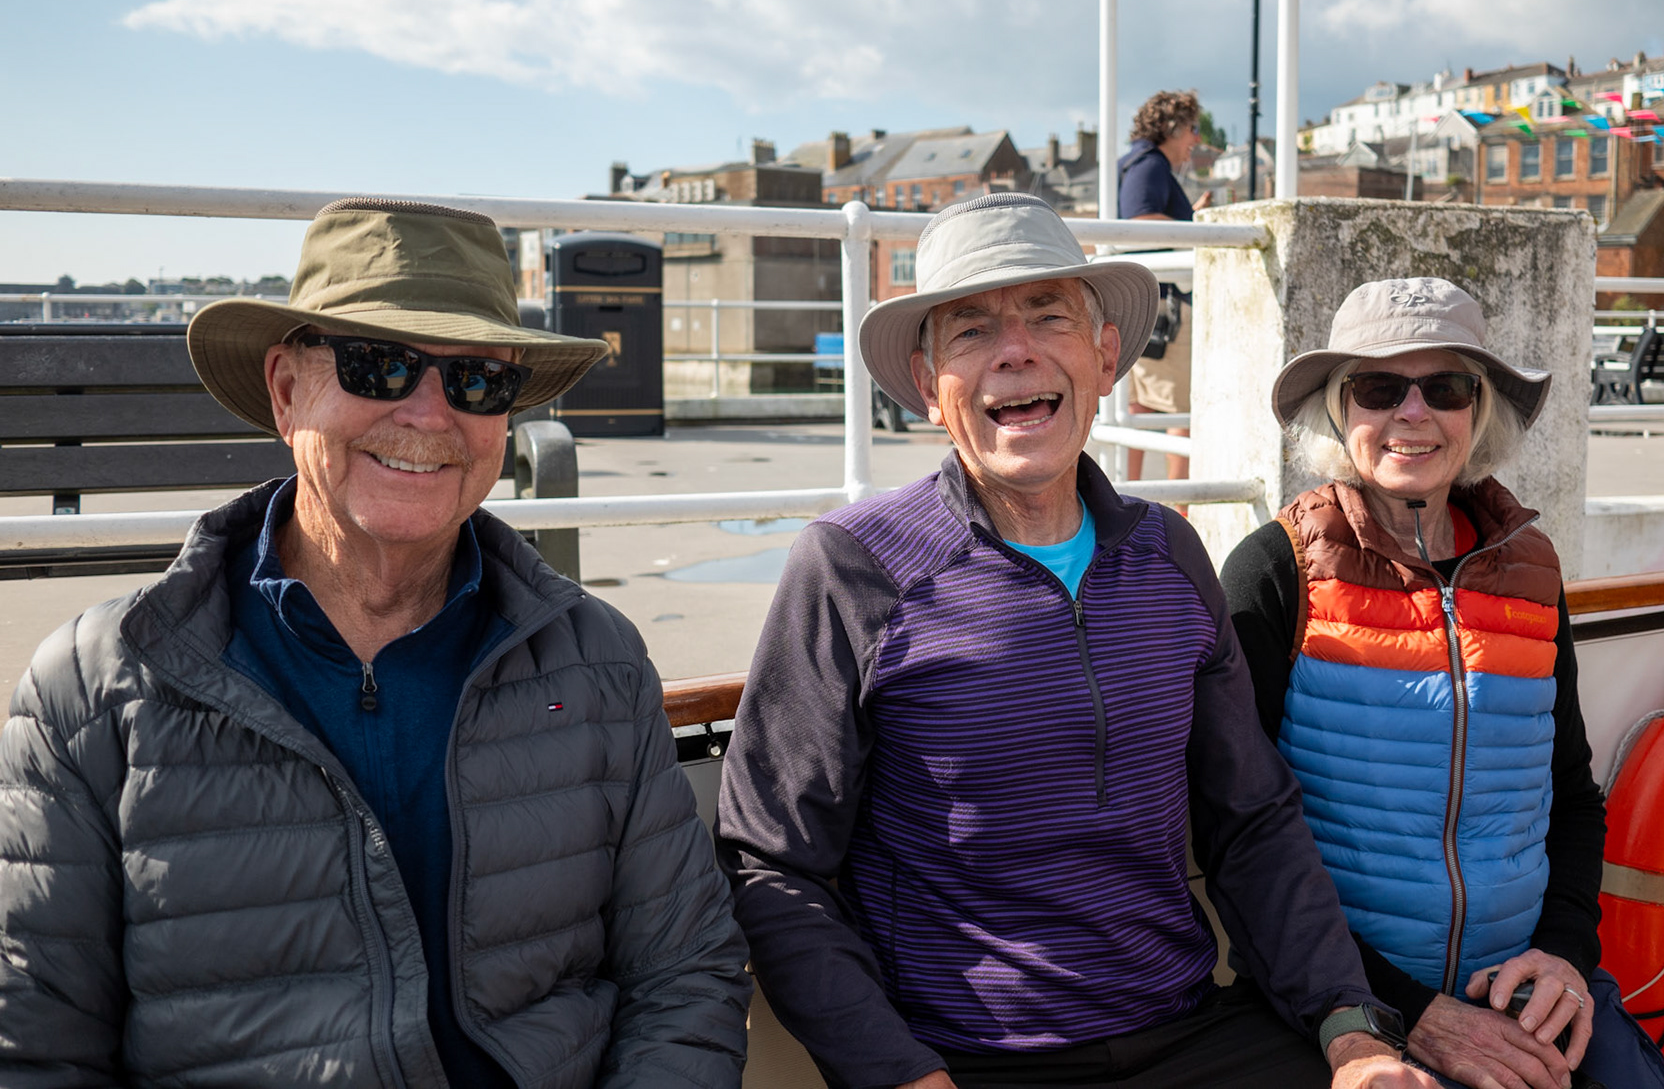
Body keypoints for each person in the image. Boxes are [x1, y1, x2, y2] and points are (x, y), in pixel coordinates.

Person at [0, 198, 751, 1086]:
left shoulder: (597, 661)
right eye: (380, 365)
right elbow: (36, 1047)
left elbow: (684, 974)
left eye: (477, 379)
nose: (431, 416)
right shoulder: (96, 689)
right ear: (286, 391)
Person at [717, 193, 1435, 1089]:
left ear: (1103, 359)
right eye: (971, 331)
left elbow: (1251, 820)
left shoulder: (1168, 552)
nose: (1015, 349)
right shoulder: (854, 569)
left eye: (1048, 315)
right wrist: (898, 1074)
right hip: (967, 1060)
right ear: (930, 385)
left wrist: (1352, 1030)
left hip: (1187, 1029)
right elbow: (771, 865)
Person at [1221, 277, 1664, 1089]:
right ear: (1339, 411)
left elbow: (1570, 793)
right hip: (1344, 1002)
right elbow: (1235, 833)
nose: (1412, 412)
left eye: (1445, 387)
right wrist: (1405, 1014)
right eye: (1377, 387)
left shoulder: (1533, 572)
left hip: (1527, 988)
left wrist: (1566, 955)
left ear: (1478, 411)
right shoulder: (1275, 571)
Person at [1118, 90, 1210, 486]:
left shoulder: (1136, 162)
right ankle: (1183, 509)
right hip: (1168, 306)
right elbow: (1141, 220)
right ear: (1171, 128)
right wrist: (1194, 227)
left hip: (1146, 297)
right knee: (1179, 411)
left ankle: (1127, 495)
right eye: (1192, 129)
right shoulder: (1151, 166)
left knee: (1138, 407)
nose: (1196, 139)